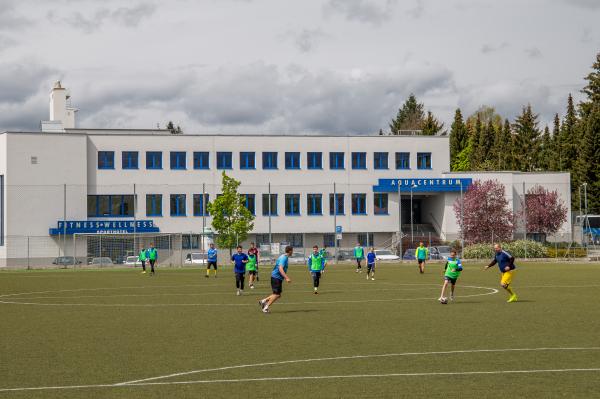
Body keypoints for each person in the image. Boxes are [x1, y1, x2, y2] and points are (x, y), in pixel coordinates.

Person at [259, 245, 292, 313]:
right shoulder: (284, 258)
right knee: (277, 295)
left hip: (277, 278)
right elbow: (280, 268)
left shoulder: (283, 256)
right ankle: (265, 307)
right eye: (292, 251)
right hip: (276, 277)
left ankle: (263, 301)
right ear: (290, 251)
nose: (292, 252)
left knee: (277, 294)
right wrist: (286, 278)